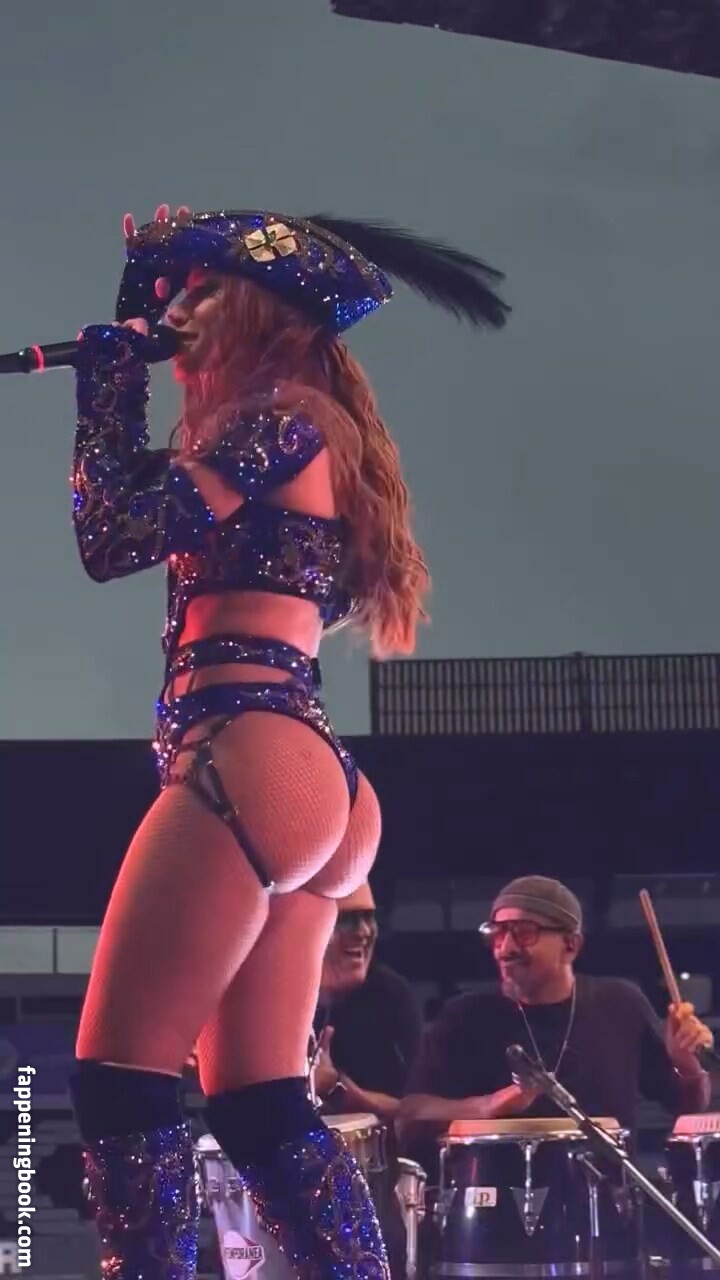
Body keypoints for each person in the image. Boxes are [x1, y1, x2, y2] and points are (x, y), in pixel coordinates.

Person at [66, 203, 509, 1279]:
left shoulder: (276, 420)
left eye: (203, 294)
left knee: (119, 1084)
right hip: (302, 774)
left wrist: (107, 387)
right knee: (260, 1104)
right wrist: (133, 337)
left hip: (250, 756)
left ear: (261, 311)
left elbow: (112, 534)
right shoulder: (306, 426)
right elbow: (145, 502)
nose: (183, 315)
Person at [400, 875, 714, 1161]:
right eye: (497, 933)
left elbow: (687, 1106)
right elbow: (413, 1112)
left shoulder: (621, 1004)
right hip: (493, 1200)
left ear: (571, 945)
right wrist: (487, 1106)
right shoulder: (464, 1016)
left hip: (607, 1199)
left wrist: (688, 1068)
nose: (505, 948)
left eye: (524, 933)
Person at [312, 881, 423, 1121]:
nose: (363, 931)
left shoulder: (390, 995)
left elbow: (416, 1111)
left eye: (368, 917)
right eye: (346, 919)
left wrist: (336, 1089)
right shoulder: (270, 996)